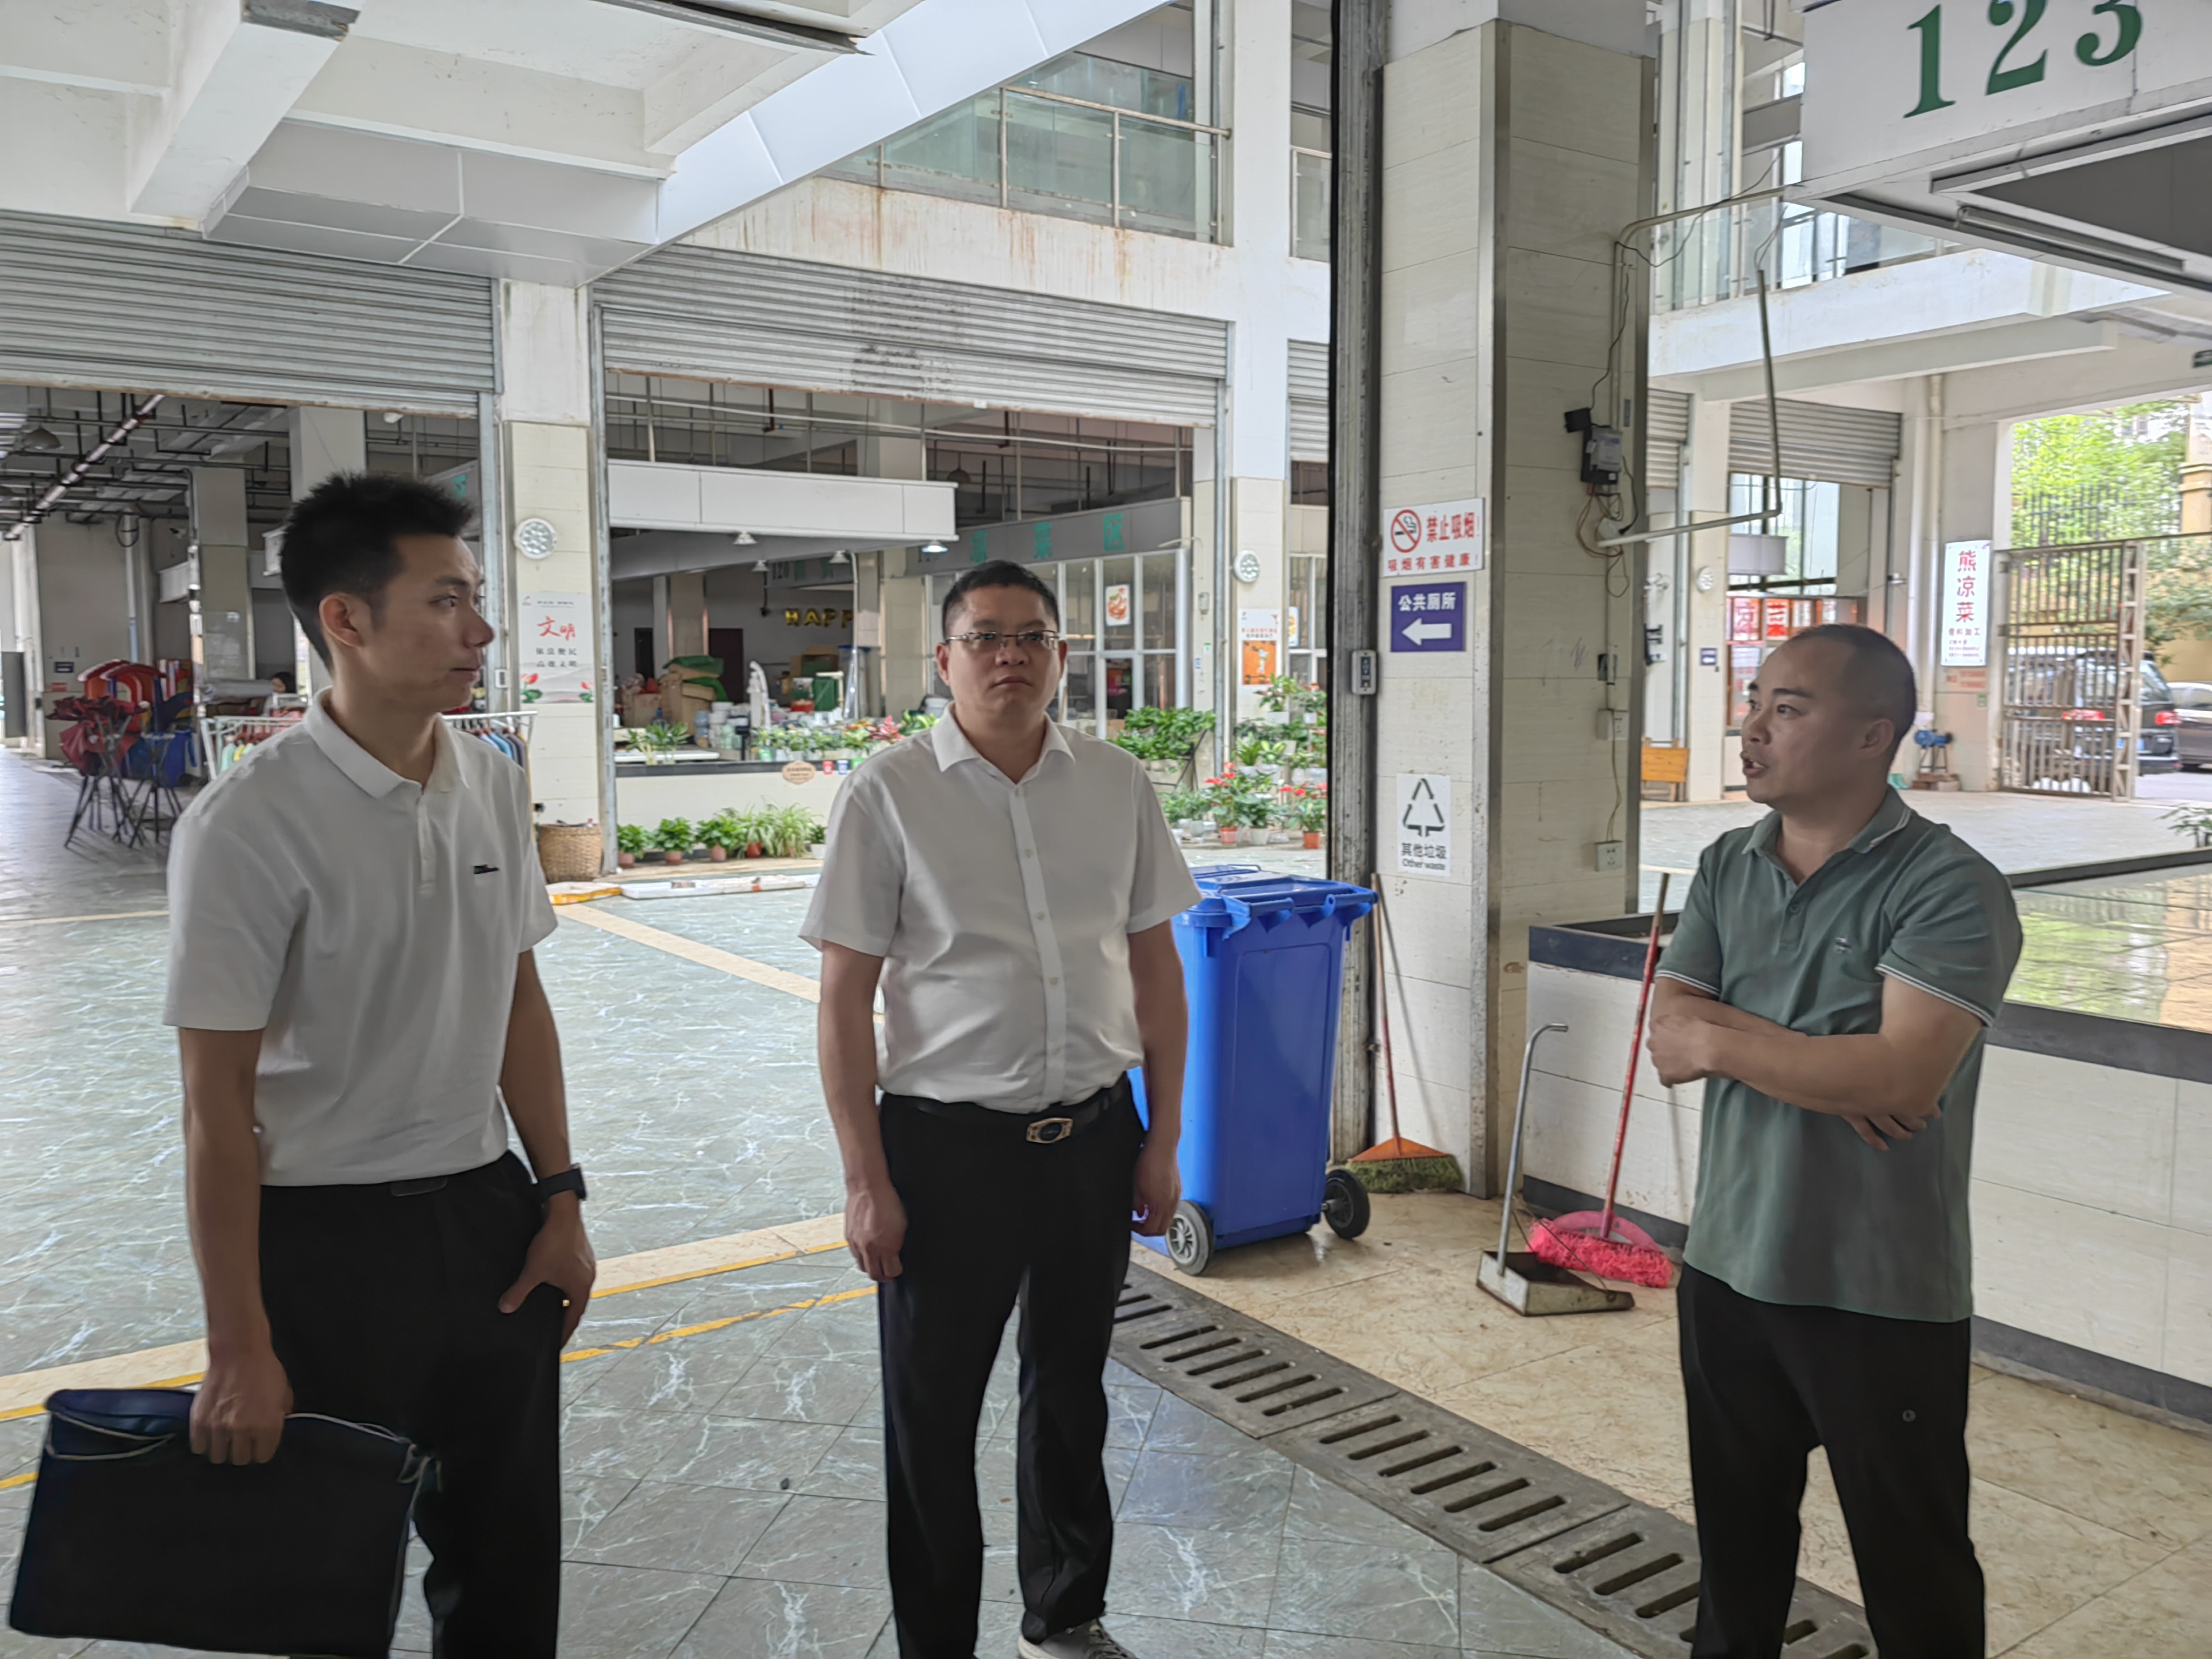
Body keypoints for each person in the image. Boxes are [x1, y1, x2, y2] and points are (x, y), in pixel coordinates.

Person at [165, 473, 593, 1655]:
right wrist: (239, 1343)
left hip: (487, 1223)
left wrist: (559, 1197)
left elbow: (517, 998)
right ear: (345, 620)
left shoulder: (491, 781)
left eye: (477, 598)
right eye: (446, 601)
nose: (481, 630)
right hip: (323, 1247)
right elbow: (214, 1106)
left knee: (508, 1569)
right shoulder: (247, 826)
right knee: (321, 1585)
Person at [803, 559, 1196, 1659]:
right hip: (944, 1152)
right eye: (984, 637)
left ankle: (1065, 1612)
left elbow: (1156, 971)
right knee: (931, 1412)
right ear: (944, 660)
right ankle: (937, 1642)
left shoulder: (1116, 783)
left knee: (1070, 1393)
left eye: (1031, 636)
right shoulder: (887, 793)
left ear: (1062, 656)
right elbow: (842, 1000)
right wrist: (865, 1179)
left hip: (1091, 1137)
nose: (1009, 655)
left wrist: (1163, 1139)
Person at [1645, 624, 2021, 1658]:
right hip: (1727, 1264)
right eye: (1754, 702)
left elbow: (1902, 1079)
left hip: (1878, 1288)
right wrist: (1823, 1061)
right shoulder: (1727, 863)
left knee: (1915, 1573)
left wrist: (1729, 1038)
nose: (1751, 729)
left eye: (1787, 708)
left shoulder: (1948, 885)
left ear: (1872, 736)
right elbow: (1670, 1037)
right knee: (1736, 1560)